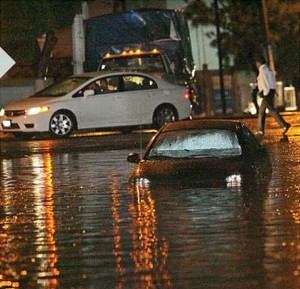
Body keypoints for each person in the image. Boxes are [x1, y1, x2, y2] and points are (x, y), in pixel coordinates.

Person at [255, 56, 290, 136]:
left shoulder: (263, 71)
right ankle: (284, 125)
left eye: (257, 63)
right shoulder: (268, 69)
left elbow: (265, 83)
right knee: (270, 110)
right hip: (271, 91)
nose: (256, 65)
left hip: (267, 92)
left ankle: (261, 130)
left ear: (259, 63)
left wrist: (264, 93)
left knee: (262, 112)